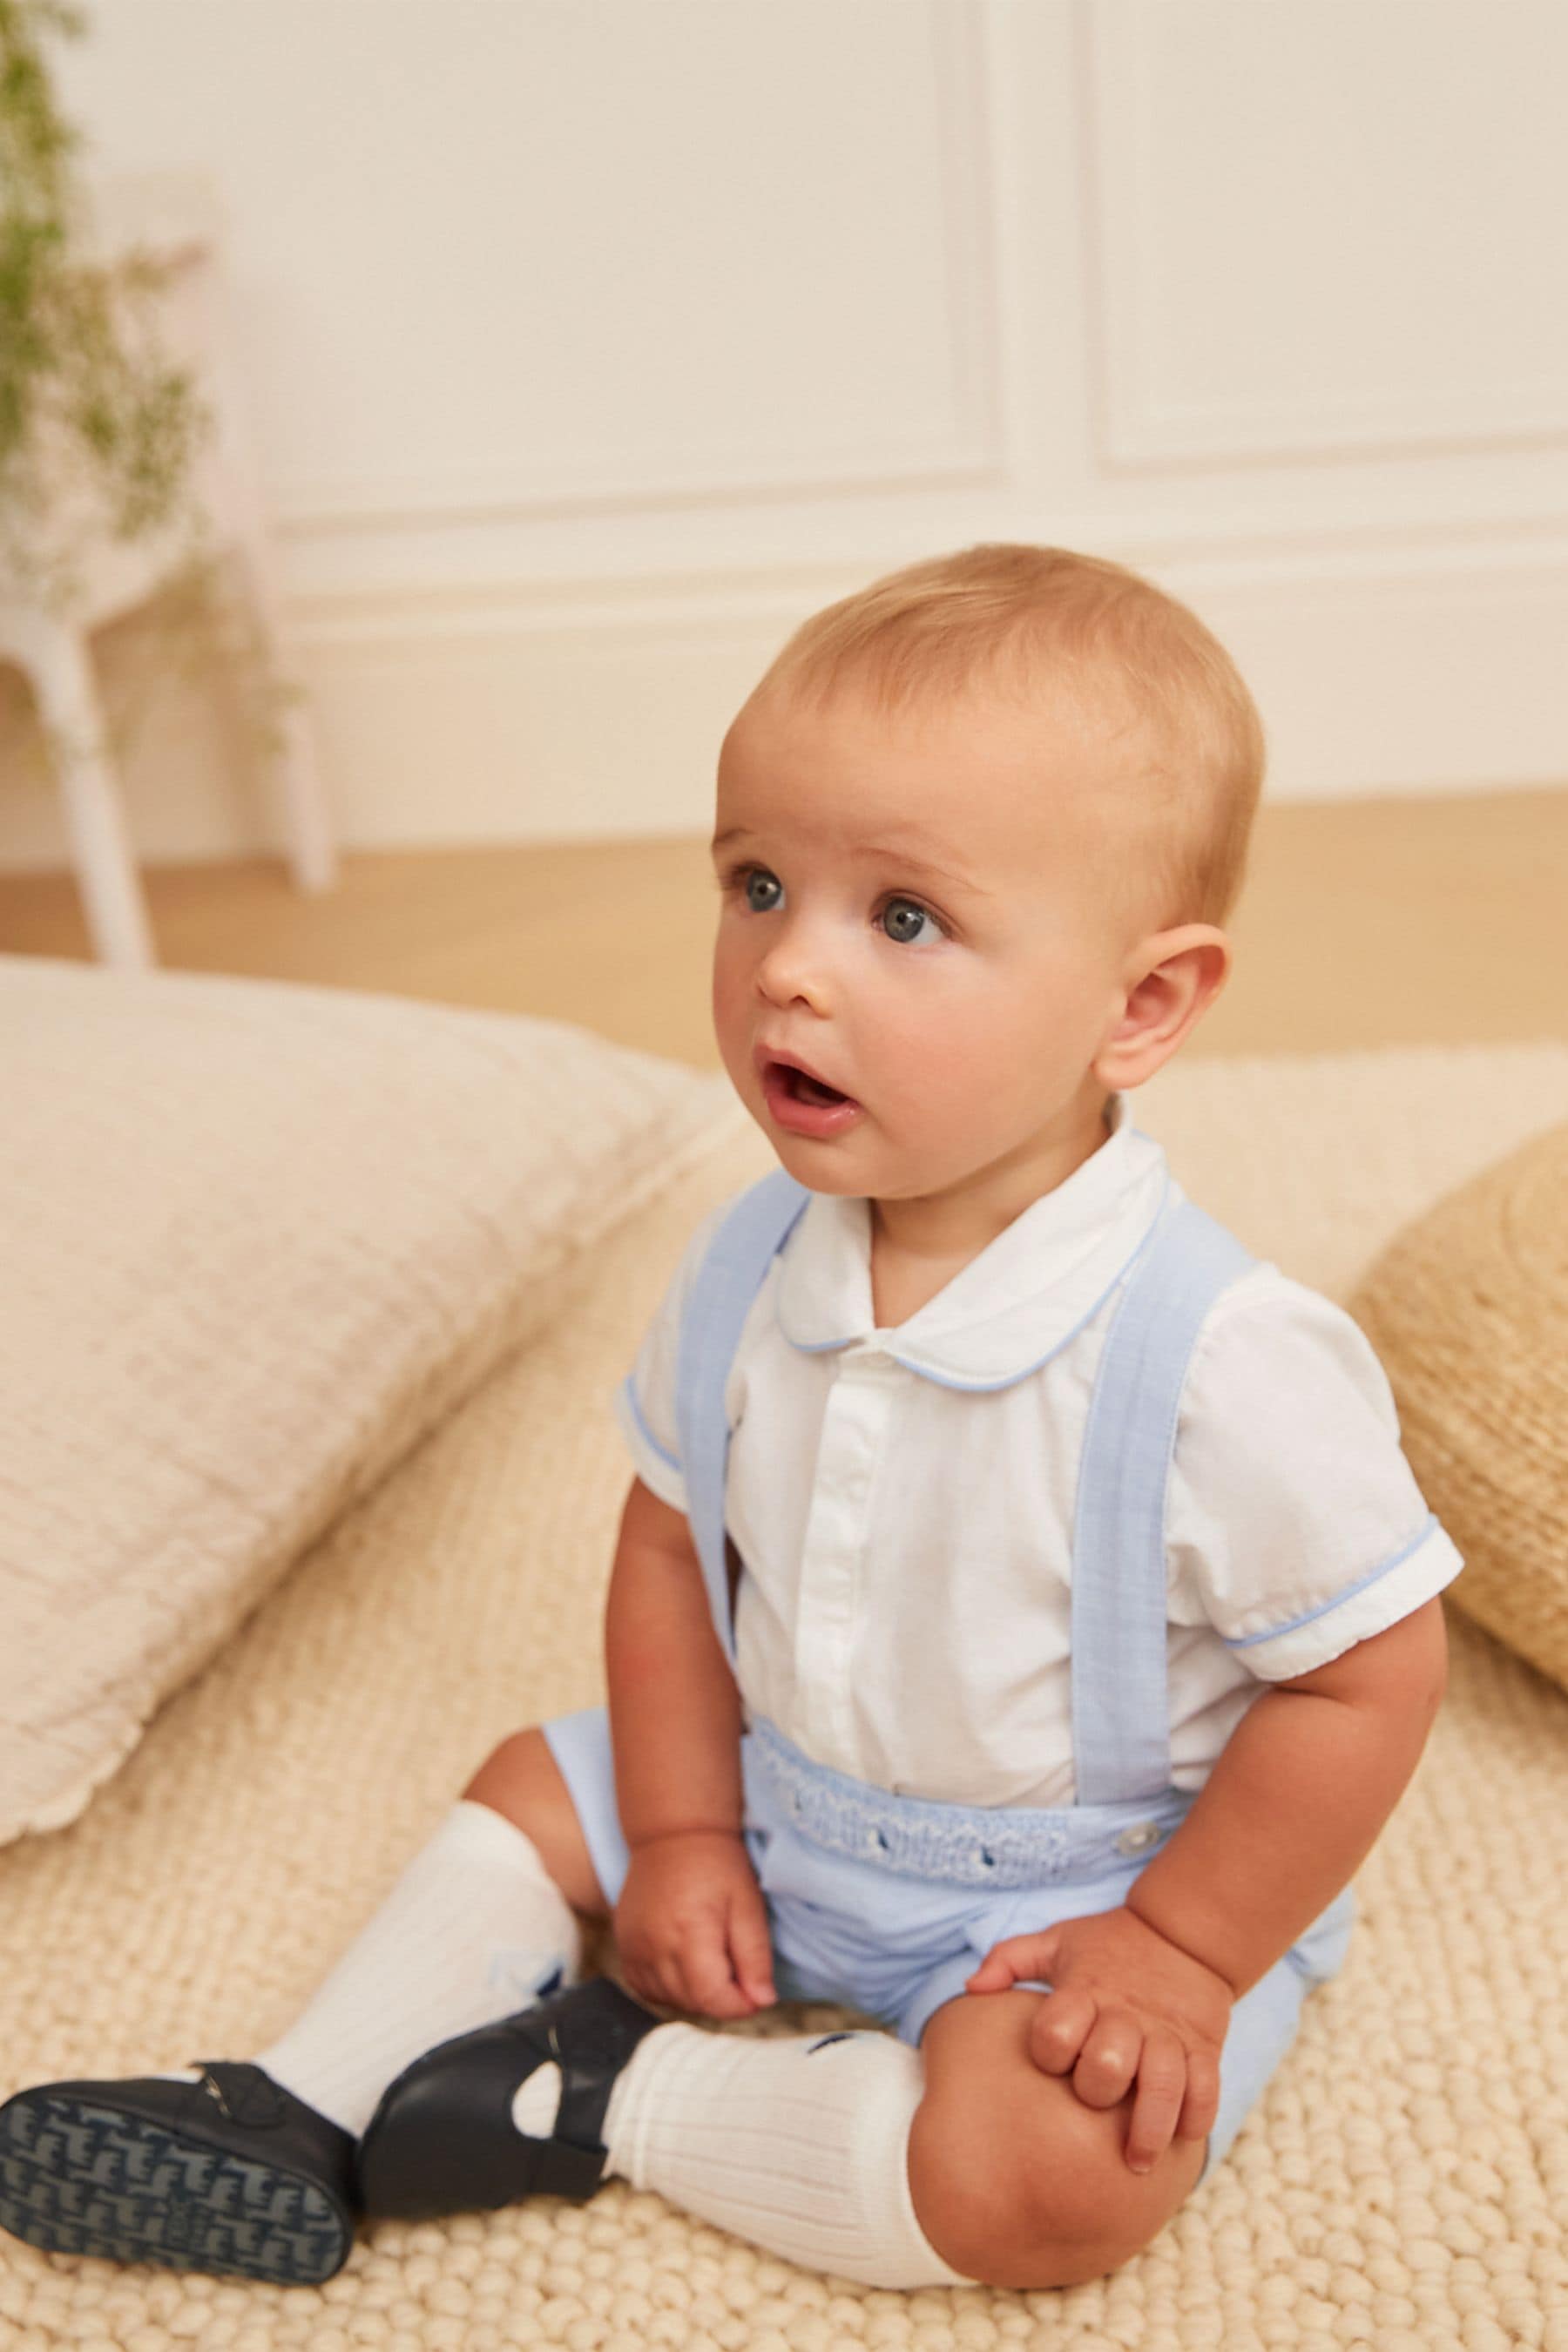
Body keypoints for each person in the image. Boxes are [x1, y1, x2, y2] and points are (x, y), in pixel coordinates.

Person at [0, 544, 1462, 2295]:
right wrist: (686, 1830)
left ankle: (617, 2098)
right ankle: (299, 2105)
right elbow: (672, 1536)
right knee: (535, 1786)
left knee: (1058, 2184)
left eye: (900, 918)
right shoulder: (749, 1260)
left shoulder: (1218, 1353)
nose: (788, 970)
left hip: (1069, 1890)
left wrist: (1180, 1948)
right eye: (757, 883)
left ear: (1139, 1006)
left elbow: (1371, 1669)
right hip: (782, 1796)